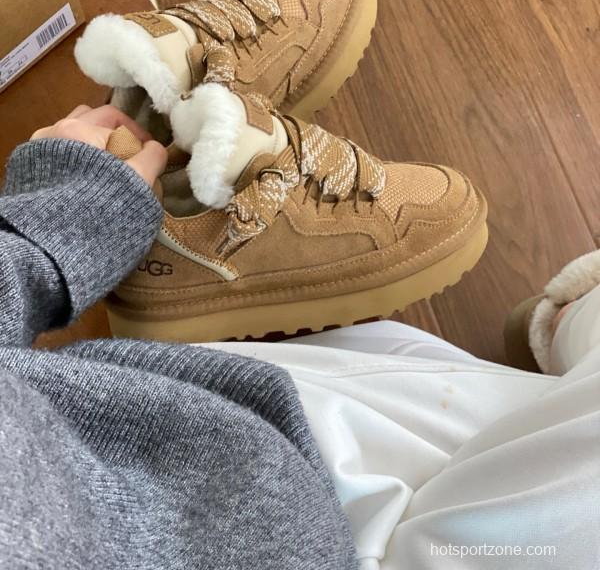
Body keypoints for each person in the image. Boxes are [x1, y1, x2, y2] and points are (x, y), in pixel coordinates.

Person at [1, 103, 598, 569]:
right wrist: (55, 230)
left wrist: (53, 234)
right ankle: (568, 319)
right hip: (318, 502)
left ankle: (569, 320)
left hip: (227, 466)